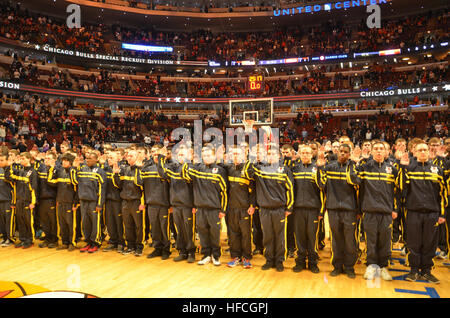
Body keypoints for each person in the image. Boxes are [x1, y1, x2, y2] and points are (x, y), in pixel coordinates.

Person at [347, 141, 401, 281]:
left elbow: (398, 190)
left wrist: (395, 209)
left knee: (384, 241)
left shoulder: (392, 169)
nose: (378, 151)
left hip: (386, 212)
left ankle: (383, 267)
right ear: (371, 152)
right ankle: (371, 266)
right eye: (375, 149)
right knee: (371, 241)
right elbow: (353, 180)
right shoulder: (365, 167)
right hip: (369, 211)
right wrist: (354, 163)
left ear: (386, 152)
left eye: (381, 149)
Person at [399, 142, 447, 283]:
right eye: (420, 150)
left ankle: (427, 271)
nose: (423, 152)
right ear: (415, 152)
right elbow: (402, 188)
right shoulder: (410, 168)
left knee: (429, 244)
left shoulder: (437, 170)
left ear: (428, 152)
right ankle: (413, 271)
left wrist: (442, 214)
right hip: (413, 212)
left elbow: (443, 194)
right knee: (413, 243)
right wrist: (402, 167)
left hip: (432, 214)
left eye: (425, 150)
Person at [244, 145, 294, 272]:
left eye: (273, 154)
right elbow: (247, 173)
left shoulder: (284, 170)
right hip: (264, 209)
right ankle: (269, 259)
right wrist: (252, 157)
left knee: (280, 236)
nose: (270, 156)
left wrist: (289, 207)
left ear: (279, 156)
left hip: (279, 209)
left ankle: (279, 261)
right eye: (269, 154)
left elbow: (290, 190)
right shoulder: (260, 169)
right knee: (267, 236)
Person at [317, 144, 359, 278]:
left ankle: (349, 267)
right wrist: (320, 168)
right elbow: (321, 184)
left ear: (349, 154)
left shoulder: (353, 167)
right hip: (333, 208)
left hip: (349, 209)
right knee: (336, 239)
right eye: (340, 151)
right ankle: (337, 266)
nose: (342, 154)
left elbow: (355, 182)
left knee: (350, 240)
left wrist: (353, 165)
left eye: (345, 152)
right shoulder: (329, 167)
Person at [184, 144, 228, 266]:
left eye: (208, 155)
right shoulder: (198, 168)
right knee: (203, 234)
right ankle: (206, 255)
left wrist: (223, 209)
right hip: (200, 208)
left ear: (214, 156)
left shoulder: (220, 171)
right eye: (204, 156)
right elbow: (186, 176)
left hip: (214, 209)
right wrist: (188, 159)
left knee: (215, 234)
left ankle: (216, 255)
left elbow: (224, 192)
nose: (206, 158)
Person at [156, 144, 196, 263]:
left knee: (189, 230)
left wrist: (194, 206)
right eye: (178, 154)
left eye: (183, 154)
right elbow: (163, 173)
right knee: (179, 230)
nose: (180, 156)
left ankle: (191, 252)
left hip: (188, 205)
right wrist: (161, 157)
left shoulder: (191, 168)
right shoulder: (174, 167)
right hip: (176, 205)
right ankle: (182, 251)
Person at [291, 145, 323, 274]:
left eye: (307, 153)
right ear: (299, 154)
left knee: (312, 237)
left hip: (313, 209)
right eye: (302, 153)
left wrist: (321, 210)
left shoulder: (317, 168)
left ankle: (313, 263)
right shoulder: (295, 169)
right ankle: (300, 262)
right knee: (299, 237)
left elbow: (323, 187)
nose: (305, 155)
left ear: (312, 154)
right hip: (298, 209)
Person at [223, 145, 255, 269]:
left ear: (244, 155)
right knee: (233, 234)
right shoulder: (228, 169)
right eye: (234, 154)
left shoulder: (248, 170)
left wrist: (252, 205)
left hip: (245, 208)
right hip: (231, 208)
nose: (235, 156)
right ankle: (235, 257)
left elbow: (253, 190)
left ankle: (246, 257)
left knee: (246, 234)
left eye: (238, 154)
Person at [140, 144, 171, 259]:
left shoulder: (167, 167)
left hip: (164, 204)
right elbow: (139, 183)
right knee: (155, 228)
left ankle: (166, 250)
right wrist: (139, 167)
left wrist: (170, 204)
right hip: (151, 203)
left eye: (157, 152)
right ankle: (157, 248)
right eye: (153, 152)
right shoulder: (146, 168)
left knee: (164, 228)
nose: (155, 154)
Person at [113, 149, 146, 256]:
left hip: (137, 201)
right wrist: (116, 175)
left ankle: (139, 247)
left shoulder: (141, 169)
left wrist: (138, 168)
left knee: (139, 226)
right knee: (127, 225)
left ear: (137, 157)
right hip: (125, 202)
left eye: (132, 156)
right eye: (128, 156)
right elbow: (118, 185)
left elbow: (141, 184)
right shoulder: (125, 169)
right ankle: (130, 246)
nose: (129, 157)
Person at [72, 151, 107, 253]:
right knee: (85, 223)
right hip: (83, 201)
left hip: (94, 202)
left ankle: (95, 242)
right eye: (86, 158)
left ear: (96, 160)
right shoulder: (82, 169)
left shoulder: (100, 171)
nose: (87, 160)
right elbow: (74, 181)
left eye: (90, 159)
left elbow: (102, 189)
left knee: (95, 223)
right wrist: (74, 168)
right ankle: (88, 242)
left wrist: (100, 204)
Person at [4, 152, 38, 249]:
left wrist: (33, 202)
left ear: (28, 159)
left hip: (28, 201)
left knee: (28, 221)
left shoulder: (33, 172)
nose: (21, 160)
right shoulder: (20, 171)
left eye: (23, 158)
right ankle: (23, 239)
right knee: (21, 221)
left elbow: (34, 188)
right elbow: (8, 177)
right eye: (21, 159)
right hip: (19, 200)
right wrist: (9, 166)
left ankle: (30, 240)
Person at [47, 153, 78, 251]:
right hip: (60, 201)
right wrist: (51, 169)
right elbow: (51, 182)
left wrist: (75, 203)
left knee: (71, 224)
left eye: (66, 160)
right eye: (63, 160)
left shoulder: (74, 172)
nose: (64, 162)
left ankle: (72, 242)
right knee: (62, 223)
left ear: (71, 162)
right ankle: (64, 242)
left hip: (70, 203)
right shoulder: (60, 171)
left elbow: (77, 187)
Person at [102, 150, 125, 253]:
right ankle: (112, 241)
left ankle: (121, 242)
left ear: (118, 159)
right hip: (108, 200)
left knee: (119, 223)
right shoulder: (105, 169)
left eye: (112, 158)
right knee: (110, 222)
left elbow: (121, 186)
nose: (109, 159)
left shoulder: (122, 169)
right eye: (108, 157)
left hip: (118, 201)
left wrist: (116, 174)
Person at [37, 152, 58, 248]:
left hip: (51, 199)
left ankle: (54, 239)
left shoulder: (57, 170)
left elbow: (57, 186)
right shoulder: (41, 168)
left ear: (54, 160)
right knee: (44, 220)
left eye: (49, 158)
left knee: (52, 221)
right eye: (45, 158)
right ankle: (47, 238)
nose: (46, 160)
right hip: (42, 198)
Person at [0, 149, 14, 247]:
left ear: (7, 161)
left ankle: (10, 238)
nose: (0, 162)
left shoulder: (10, 171)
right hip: (0, 199)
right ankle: (4, 237)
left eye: (2, 160)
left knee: (9, 221)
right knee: (2, 221)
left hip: (8, 200)